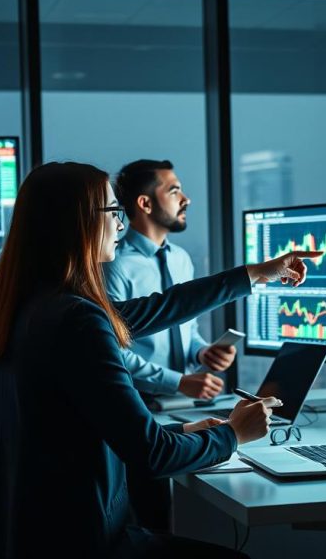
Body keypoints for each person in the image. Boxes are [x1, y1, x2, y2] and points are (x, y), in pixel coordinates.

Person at [0, 161, 320, 558]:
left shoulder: (31, 306)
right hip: (80, 542)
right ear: (79, 223)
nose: (120, 224)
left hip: (30, 536)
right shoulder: (77, 320)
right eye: (112, 212)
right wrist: (234, 434)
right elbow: (153, 455)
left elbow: (160, 309)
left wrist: (255, 274)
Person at [104, 159, 232, 531]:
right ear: (145, 203)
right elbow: (112, 350)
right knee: (151, 514)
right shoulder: (116, 264)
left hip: (182, 406)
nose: (186, 199)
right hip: (139, 404)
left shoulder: (181, 259)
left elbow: (187, 329)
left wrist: (201, 352)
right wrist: (179, 381)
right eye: (174, 190)